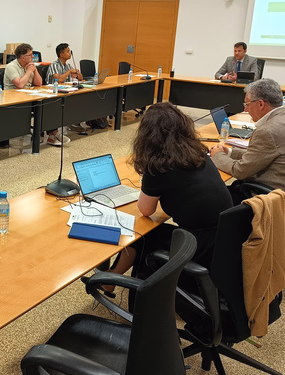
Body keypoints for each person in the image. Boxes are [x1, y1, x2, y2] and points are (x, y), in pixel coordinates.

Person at [97, 103, 232, 291]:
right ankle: (112, 277)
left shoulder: (160, 165)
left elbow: (146, 210)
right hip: (222, 241)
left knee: (141, 234)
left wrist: (151, 182)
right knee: (152, 231)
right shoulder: (198, 152)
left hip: (197, 247)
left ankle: (110, 279)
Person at [210, 79, 285, 203]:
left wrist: (218, 155)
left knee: (212, 198)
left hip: (274, 198)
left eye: (247, 104)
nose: (246, 110)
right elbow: (260, 155)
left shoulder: (268, 131)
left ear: (261, 104)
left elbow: (240, 171)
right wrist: (230, 152)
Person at [5, 43, 68, 146]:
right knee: (42, 106)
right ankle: (52, 134)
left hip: (28, 96)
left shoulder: (29, 65)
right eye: (30, 55)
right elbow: (20, 85)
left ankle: (52, 134)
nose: (33, 56)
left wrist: (34, 70)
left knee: (50, 103)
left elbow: (39, 83)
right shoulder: (11, 67)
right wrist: (29, 71)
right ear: (23, 57)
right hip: (13, 98)